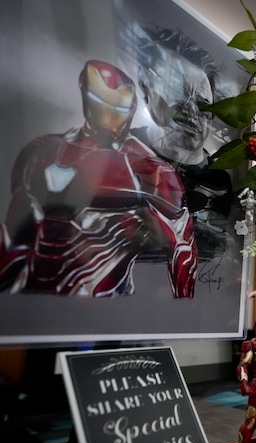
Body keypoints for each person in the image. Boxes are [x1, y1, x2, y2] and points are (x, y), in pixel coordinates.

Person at [0, 59, 197, 297]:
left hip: (104, 294)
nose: (108, 115)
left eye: (118, 107)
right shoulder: (44, 151)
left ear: (131, 108)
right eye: (99, 101)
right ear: (85, 93)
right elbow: (17, 231)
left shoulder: (149, 170)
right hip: (32, 291)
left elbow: (182, 253)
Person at [134, 26, 234, 259]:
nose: (191, 112)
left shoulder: (219, 181)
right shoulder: (122, 155)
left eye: (201, 103)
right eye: (178, 96)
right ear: (148, 90)